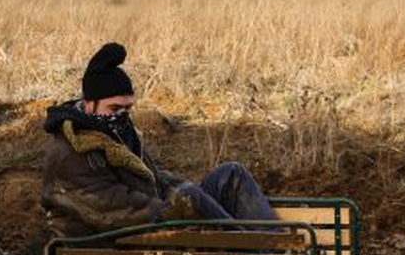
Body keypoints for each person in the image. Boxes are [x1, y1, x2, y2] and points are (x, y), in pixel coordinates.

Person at [39, 42, 275, 235]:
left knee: (230, 175)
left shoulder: (116, 133)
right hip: (113, 240)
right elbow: (110, 209)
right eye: (114, 109)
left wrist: (180, 191)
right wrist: (172, 208)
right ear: (90, 104)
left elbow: (152, 178)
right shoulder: (69, 152)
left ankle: (279, 248)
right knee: (189, 198)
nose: (121, 116)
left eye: (127, 109)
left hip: (147, 217)